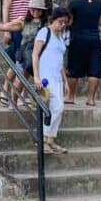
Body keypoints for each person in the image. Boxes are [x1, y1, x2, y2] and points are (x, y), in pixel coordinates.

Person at [0, 0, 49, 108]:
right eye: (33, 9)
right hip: (24, 54)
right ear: (29, 9)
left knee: (39, 82)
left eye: (38, 9)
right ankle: (13, 102)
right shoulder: (23, 21)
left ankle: (41, 105)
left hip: (39, 56)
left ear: (42, 10)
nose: (35, 11)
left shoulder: (46, 24)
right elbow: (6, 26)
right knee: (20, 80)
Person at [33, 8, 70, 154]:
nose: (62, 25)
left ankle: (50, 139)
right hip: (46, 77)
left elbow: (60, 62)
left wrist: (65, 81)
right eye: (60, 22)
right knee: (57, 107)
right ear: (51, 21)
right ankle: (43, 138)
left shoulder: (61, 37)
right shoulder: (44, 32)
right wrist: (37, 77)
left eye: (64, 23)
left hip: (57, 78)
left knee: (58, 109)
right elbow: (35, 54)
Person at [0, 0, 37, 104]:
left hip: (28, 29)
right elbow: (6, 8)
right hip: (16, 28)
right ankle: (6, 89)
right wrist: (7, 29)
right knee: (18, 61)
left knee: (23, 61)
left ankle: (18, 92)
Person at [66, 0, 101, 106]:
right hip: (94, 37)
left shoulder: (74, 3)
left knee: (73, 69)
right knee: (94, 69)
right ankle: (91, 99)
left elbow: (69, 21)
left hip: (77, 37)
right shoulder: (99, 3)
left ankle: (70, 97)